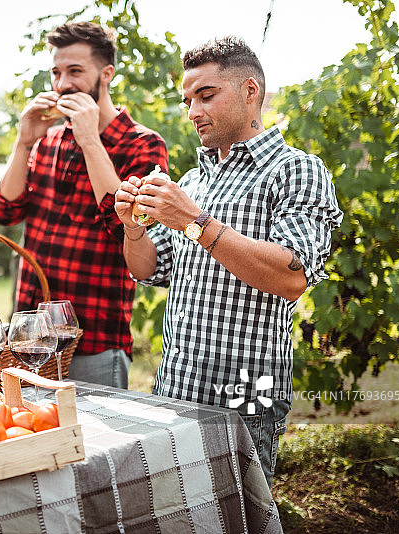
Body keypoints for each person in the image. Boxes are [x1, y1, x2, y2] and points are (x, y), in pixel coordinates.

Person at [115, 36, 343, 485]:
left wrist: (194, 221)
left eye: (206, 95)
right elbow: (150, 269)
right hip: (174, 390)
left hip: (242, 402)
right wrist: (132, 227)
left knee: (236, 516)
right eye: (187, 101)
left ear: (250, 91)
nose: (193, 111)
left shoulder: (295, 170)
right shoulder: (192, 181)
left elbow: (292, 276)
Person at [0, 21, 168, 389]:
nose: (62, 84)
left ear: (107, 74)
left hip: (96, 343)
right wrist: (24, 142)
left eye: (75, 71)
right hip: (30, 339)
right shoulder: (48, 139)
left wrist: (90, 140)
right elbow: (6, 212)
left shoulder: (143, 144)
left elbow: (126, 225)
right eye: (56, 72)